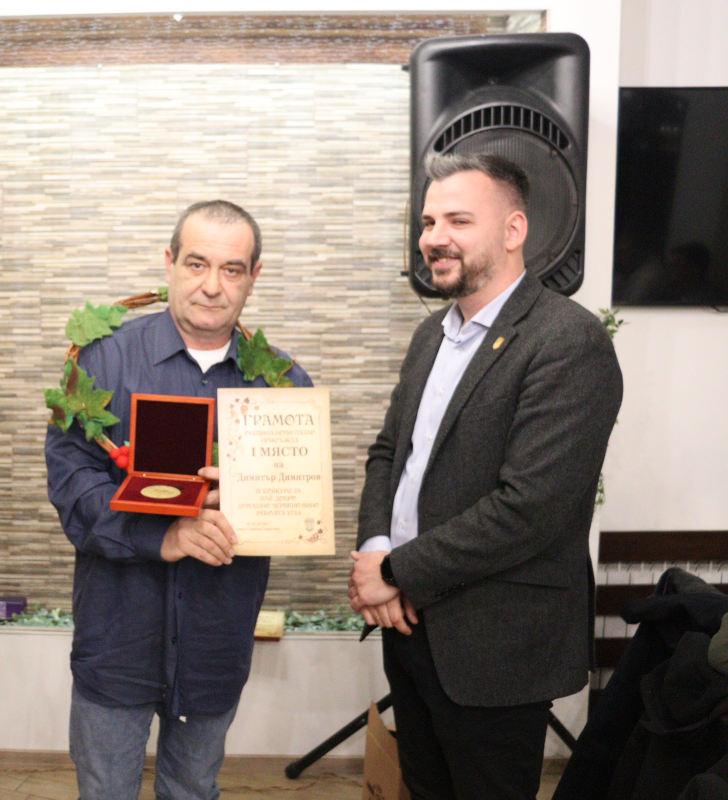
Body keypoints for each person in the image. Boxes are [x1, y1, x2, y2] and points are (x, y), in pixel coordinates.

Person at [349, 152, 623, 800]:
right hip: (408, 628)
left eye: (458, 220)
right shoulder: (431, 335)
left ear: (513, 230)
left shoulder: (568, 341)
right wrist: (375, 550)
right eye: (428, 222)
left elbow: (529, 507)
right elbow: (389, 454)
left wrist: (393, 571)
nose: (434, 238)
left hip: (494, 648)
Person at [45, 200, 313, 799]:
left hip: (215, 644)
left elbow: (296, 505)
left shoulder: (282, 387)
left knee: (193, 789)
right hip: (117, 639)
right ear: (169, 263)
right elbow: (71, 482)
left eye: (232, 269)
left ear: (254, 276)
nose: (212, 286)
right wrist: (161, 536)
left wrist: (249, 496)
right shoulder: (102, 361)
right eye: (196, 264)